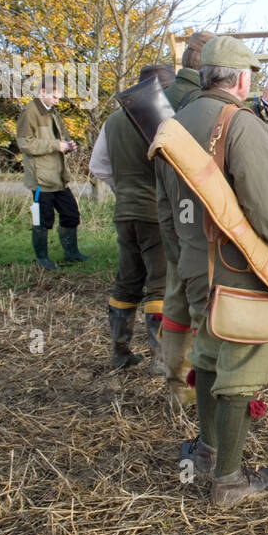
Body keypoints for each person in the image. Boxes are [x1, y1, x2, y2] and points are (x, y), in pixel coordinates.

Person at [157, 35, 268, 507]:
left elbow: (165, 211)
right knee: (241, 372)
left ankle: (207, 452)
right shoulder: (243, 126)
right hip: (239, 273)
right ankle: (228, 481)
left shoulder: (176, 123)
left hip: (193, 268)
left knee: (207, 358)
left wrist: (184, 258)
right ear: (244, 79)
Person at [89, 64, 175, 371]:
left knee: (126, 282)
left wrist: (123, 189)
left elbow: (97, 167)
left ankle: (120, 352)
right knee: (159, 286)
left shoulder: (112, 121)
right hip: (155, 214)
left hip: (124, 213)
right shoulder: (162, 121)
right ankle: (161, 360)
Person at [155, 30, 215, 405]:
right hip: (198, 219)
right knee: (202, 306)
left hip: (165, 209)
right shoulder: (200, 103)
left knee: (174, 296)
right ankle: (198, 391)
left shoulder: (159, 96)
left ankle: (176, 387)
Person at [17, 72, 89, 270]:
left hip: (58, 177)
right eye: (55, 96)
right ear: (42, 92)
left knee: (71, 214)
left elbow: (58, 139)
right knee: (42, 219)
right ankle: (42, 259)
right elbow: (25, 144)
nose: (58, 100)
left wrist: (68, 145)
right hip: (41, 179)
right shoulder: (30, 112)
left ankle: (71, 253)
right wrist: (56, 145)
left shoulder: (52, 112)